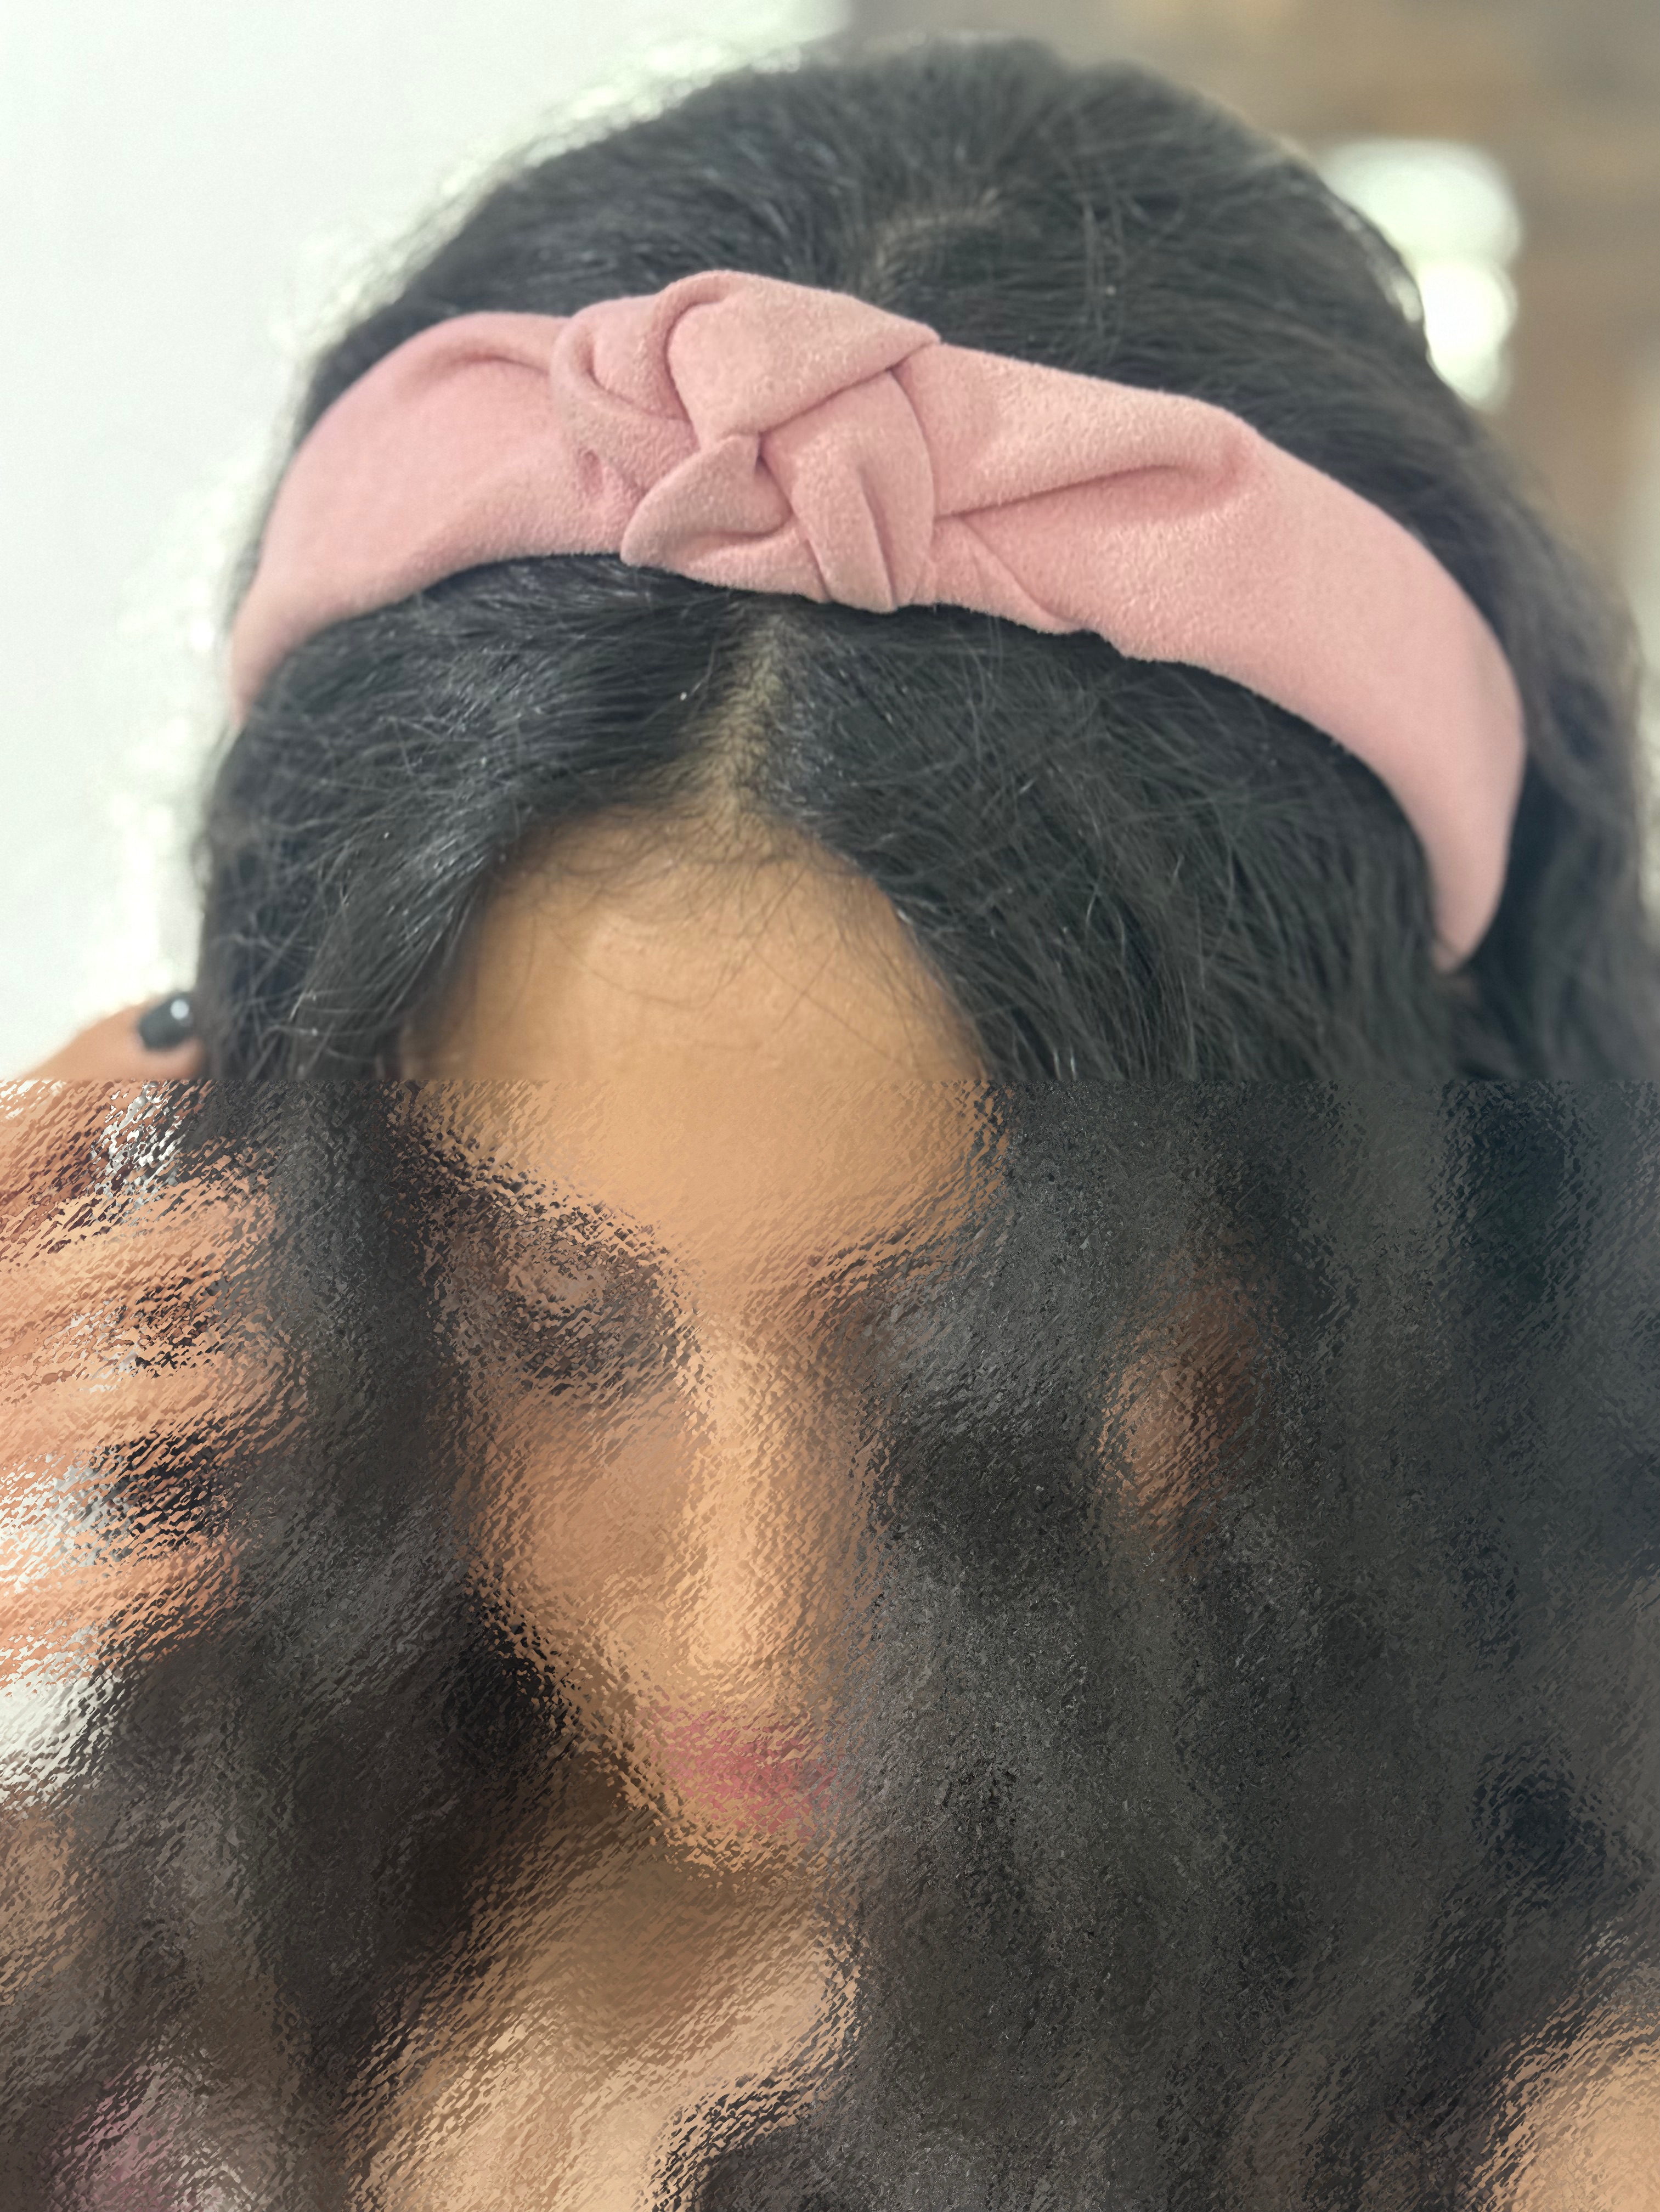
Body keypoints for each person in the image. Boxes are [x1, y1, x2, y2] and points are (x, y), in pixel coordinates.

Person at [7, 35, 1659, 2209]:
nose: (754, 1620)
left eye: (986, 1361)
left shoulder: (1538, 2142)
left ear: (1355, 1231)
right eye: (554, 1315)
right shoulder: (116, 1931)